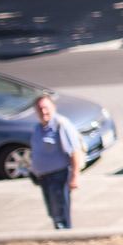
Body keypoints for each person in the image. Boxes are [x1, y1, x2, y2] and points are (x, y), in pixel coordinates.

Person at [29, 95, 82, 230]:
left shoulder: (61, 125)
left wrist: (75, 176)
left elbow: (74, 151)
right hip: (44, 178)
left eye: (46, 108)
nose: (43, 112)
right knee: (53, 212)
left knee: (60, 213)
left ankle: (65, 237)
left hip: (59, 176)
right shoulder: (38, 128)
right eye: (40, 109)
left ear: (53, 108)